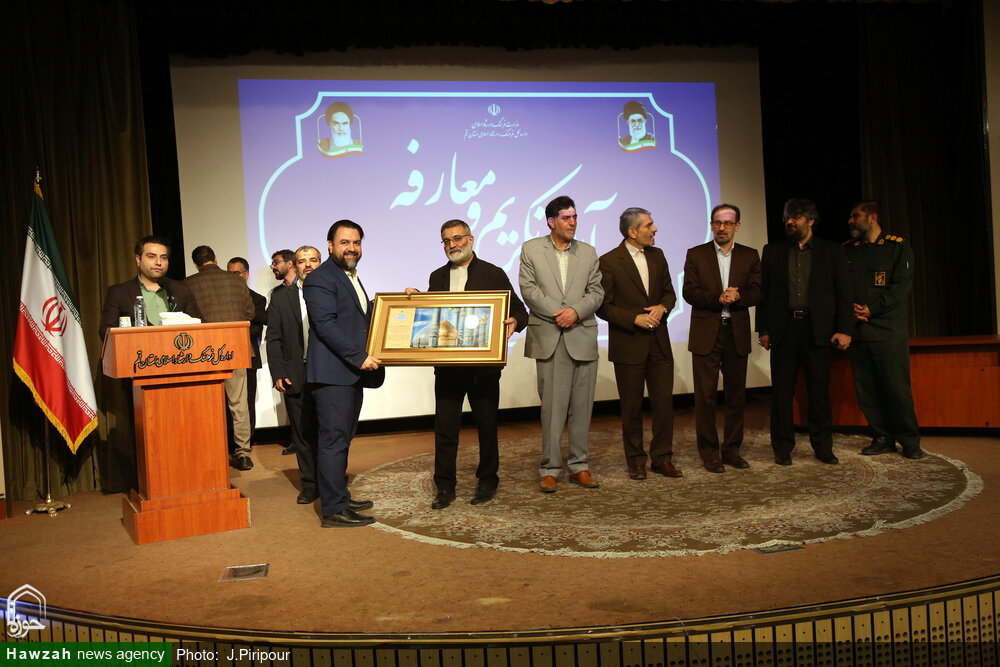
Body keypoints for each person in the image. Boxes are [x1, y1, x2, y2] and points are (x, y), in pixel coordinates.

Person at [406, 220, 528, 509]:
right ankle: (444, 486)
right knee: (445, 429)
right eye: (447, 241)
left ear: (471, 239)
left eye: (458, 238)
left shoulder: (493, 273)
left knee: (486, 426)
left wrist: (514, 321)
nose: (453, 245)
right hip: (448, 368)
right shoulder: (437, 277)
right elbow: (434, 315)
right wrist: (415, 301)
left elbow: (519, 310)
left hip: (483, 369)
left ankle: (487, 480)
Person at [756, 199, 853, 466]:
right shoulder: (773, 251)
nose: (789, 221)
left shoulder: (832, 251)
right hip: (784, 329)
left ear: (810, 221)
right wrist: (763, 328)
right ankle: (782, 448)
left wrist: (845, 329)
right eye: (787, 217)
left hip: (817, 330)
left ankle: (822, 447)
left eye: (796, 217)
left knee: (819, 392)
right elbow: (765, 294)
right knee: (781, 393)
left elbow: (844, 293)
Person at [518, 195, 604, 493]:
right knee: (552, 411)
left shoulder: (589, 252)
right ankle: (550, 469)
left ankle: (579, 466)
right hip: (550, 336)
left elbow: (597, 292)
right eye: (567, 218)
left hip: (582, 335)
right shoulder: (531, 249)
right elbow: (528, 289)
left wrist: (575, 312)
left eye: (575, 217)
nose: (573, 222)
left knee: (582, 408)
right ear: (551, 221)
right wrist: (560, 313)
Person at [304, 220, 384, 527]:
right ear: (330, 246)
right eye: (345, 242)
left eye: (356, 242)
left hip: (347, 374)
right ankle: (334, 510)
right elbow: (326, 325)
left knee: (342, 439)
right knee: (333, 441)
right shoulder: (320, 278)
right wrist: (359, 356)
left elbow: (357, 317)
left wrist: (401, 302)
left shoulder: (349, 276)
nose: (352, 248)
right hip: (333, 375)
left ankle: (339, 495)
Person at [596, 207, 680, 480]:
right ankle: (635, 460)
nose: (655, 229)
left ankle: (662, 458)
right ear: (632, 232)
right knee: (631, 407)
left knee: (664, 405)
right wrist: (634, 319)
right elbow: (603, 307)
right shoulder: (609, 261)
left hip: (659, 343)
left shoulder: (658, 255)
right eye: (649, 225)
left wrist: (662, 308)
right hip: (628, 344)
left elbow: (669, 293)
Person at [682, 204, 762, 472]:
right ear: (711, 225)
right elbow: (689, 292)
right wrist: (717, 298)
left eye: (728, 223)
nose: (722, 228)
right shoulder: (696, 254)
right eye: (717, 222)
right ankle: (709, 453)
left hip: (736, 333)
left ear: (737, 226)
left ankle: (732, 450)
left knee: (736, 396)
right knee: (705, 398)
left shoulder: (750, 255)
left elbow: (758, 291)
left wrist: (739, 297)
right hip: (706, 333)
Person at [844, 201, 923, 459]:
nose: (851, 221)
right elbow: (841, 287)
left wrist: (872, 309)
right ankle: (882, 437)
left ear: (872, 217)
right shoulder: (849, 250)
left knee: (896, 389)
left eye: (856, 216)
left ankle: (910, 441)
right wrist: (851, 310)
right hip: (859, 331)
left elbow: (901, 287)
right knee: (867, 390)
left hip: (888, 331)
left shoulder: (896, 247)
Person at [184, 245, 258, 471]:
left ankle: (212, 453)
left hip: (203, 353)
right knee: (239, 405)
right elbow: (250, 314)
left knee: (207, 406)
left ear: (196, 264)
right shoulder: (237, 281)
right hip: (235, 349)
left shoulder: (188, 284)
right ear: (215, 259)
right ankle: (243, 454)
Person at [267, 245, 323, 504]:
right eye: (302, 261)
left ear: (321, 263)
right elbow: (273, 338)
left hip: (328, 372)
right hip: (295, 374)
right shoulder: (280, 297)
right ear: (295, 265)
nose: (308, 265)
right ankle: (310, 484)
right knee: (302, 433)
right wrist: (278, 372)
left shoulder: (332, 291)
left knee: (331, 432)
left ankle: (332, 480)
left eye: (313, 260)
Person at [99, 235, 202, 340]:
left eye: (163, 258)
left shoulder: (181, 289)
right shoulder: (119, 293)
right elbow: (106, 332)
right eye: (151, 257)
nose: (158, 262)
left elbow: (201, 326)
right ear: (138, 260)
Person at [227, 256, 268, 445]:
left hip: (249, 357)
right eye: (229, 273)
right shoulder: (224, 297)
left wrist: (233, 329)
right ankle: (228, 442)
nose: (233, 277)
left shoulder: (257, 299)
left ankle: (246, 443)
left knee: (247, 402)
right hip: (225, 356)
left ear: (246, 274)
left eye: (236, 273)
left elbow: (256, 330)